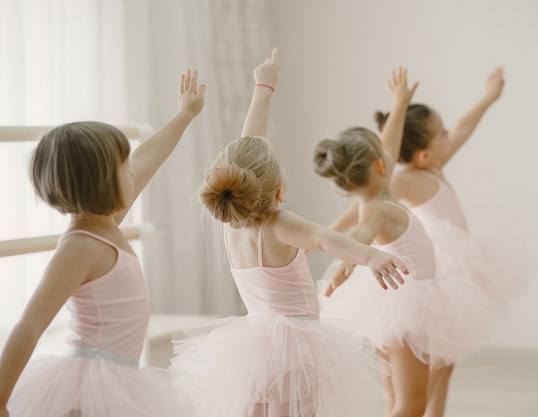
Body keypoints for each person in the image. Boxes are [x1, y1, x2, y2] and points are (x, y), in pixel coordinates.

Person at [169, 48, 408, 417]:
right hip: (295, 348)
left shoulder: (230, 220)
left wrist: (264, 87)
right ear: (278, 192)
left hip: (251, 345)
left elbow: (248, 148)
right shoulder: (281, 224)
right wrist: (372, 255)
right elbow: (329, 240)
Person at [0, 69, 206, 417]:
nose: (133, 171)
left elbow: (148, 160)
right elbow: (30, 324)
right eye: (123, 168)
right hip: (89, 385)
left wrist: (184, 115)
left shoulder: (106, 221)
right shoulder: (79, 247)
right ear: (100, 184)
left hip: (119, 378)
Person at [330, 67, 527, 417]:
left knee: (445, 359)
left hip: (448, 264)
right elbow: (366, 203)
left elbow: (464, 128)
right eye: (442, 134)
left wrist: (487, 97)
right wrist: (331, 232)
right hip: (434, 268)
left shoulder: (433, 163)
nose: (450, 135)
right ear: (424, 154)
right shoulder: (407, 179)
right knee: (429, 364)